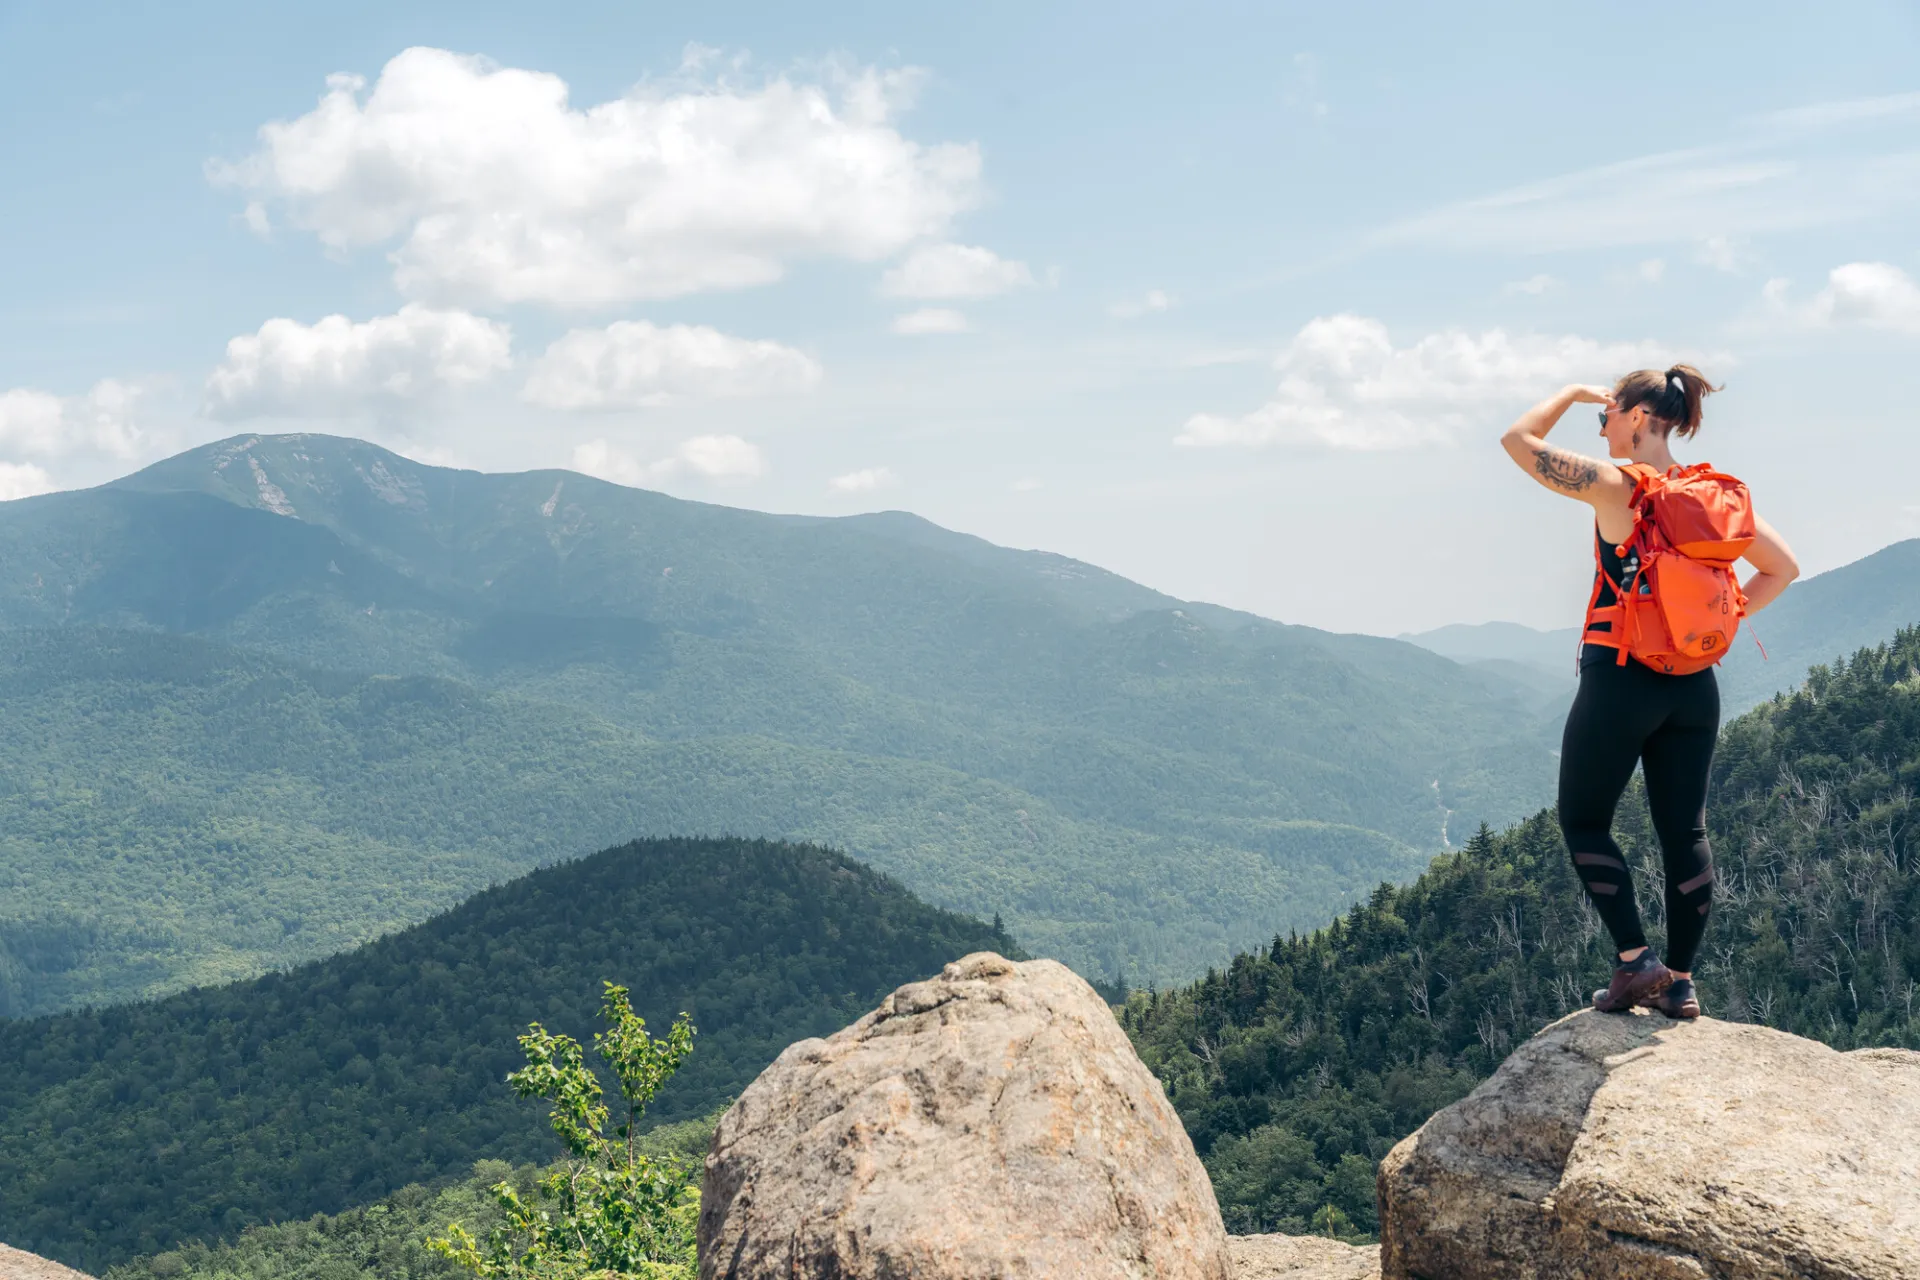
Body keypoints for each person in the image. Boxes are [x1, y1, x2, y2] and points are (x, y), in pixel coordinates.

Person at [1500, 368, 1799, 1019]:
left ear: (1637, 416)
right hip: (1695, 686)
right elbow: (1784, 567)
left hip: (1622, 678)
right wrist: (1711, 628)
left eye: (1606, 414)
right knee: (1683, 830)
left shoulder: (1620, 487)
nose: (1601, 425)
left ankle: (1636, 963)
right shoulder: (1712, 497)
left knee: (1584, 821)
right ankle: (1683, 982)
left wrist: (1570, 395)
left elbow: (1517, 441)